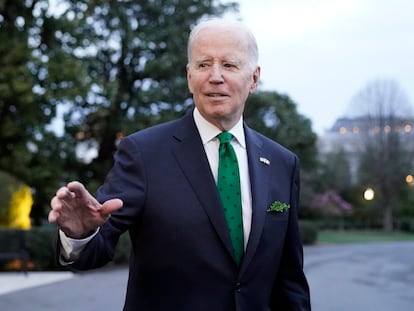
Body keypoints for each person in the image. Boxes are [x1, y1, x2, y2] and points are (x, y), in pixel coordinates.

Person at [49, 18, 311, 310]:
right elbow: (96, 249)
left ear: (254, 78)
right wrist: (80, 234)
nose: (215, 76)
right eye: (203, 65)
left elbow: (290, 280)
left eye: (229, 65)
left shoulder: (282, 163)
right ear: (189, 77)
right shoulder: (143, 153)